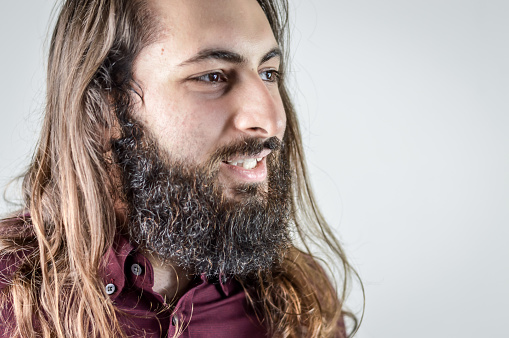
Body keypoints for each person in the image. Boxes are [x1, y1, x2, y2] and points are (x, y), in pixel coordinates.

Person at [0, 0, 361, 337]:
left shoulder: (301, 304)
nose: (269, 119)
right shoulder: (8, 298)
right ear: (106, 108)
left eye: (268, 73)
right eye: (212, 76)